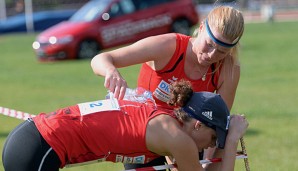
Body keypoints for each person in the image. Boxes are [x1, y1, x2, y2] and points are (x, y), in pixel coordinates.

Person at [90, 5, 245, 169]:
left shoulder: (229, 68)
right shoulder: (168, 46)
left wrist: (207, 164)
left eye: (222, 51)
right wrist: (111, 71)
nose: (211, 55)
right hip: (147, 133)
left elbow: (214, 126)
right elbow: (101, 59)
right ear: (201, 28)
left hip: (189, 138)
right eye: (209, 44)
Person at [2, 80, 248, 171]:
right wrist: (233, 138)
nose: (211, 146)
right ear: (197, 125)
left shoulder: (168, 122)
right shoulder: (177, 139)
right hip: (38, 148)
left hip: (33, 141)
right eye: (214, 139)